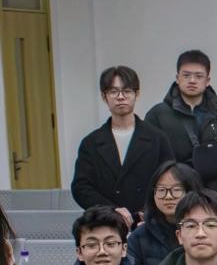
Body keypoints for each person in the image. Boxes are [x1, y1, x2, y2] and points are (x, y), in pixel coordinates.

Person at [73, 65, 176, 226]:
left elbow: (170, 180)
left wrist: (150, 211)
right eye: (113, 91)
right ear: (104, 96)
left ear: (137, 94)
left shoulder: (157, 138)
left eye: (127, 91)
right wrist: (111, 210)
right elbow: (81, 187)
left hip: (149, 222)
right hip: (107, 223)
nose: (120, 97)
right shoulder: (91, 143)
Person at [144, 50, 217, 164]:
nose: (192, 81)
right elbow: (148, 157)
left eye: (199, 76)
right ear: (177, 78)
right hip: (174, 175)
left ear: (207, 81)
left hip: (213, 175)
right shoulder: (158, 114)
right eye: (186, 75)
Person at [127, 161, 204, 265]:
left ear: (191, 191)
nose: (168, 196)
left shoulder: (208, 229)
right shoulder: (140, 236)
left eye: (176, 190)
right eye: (161, 190)